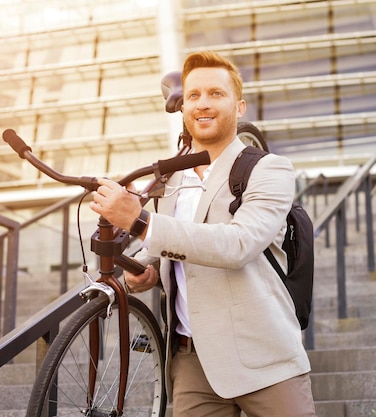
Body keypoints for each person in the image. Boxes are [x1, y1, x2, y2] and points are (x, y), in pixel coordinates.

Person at [89, 50, 316, 417]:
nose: (203, 103)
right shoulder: (171, 178)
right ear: (183, 108)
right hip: (192, 362)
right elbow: (172, 244)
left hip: (265, 357)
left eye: (216, 93)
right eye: (193, 95)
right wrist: (147, 268)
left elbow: (237, 245)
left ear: (239, 107)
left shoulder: (269, 170)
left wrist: (140, 222)